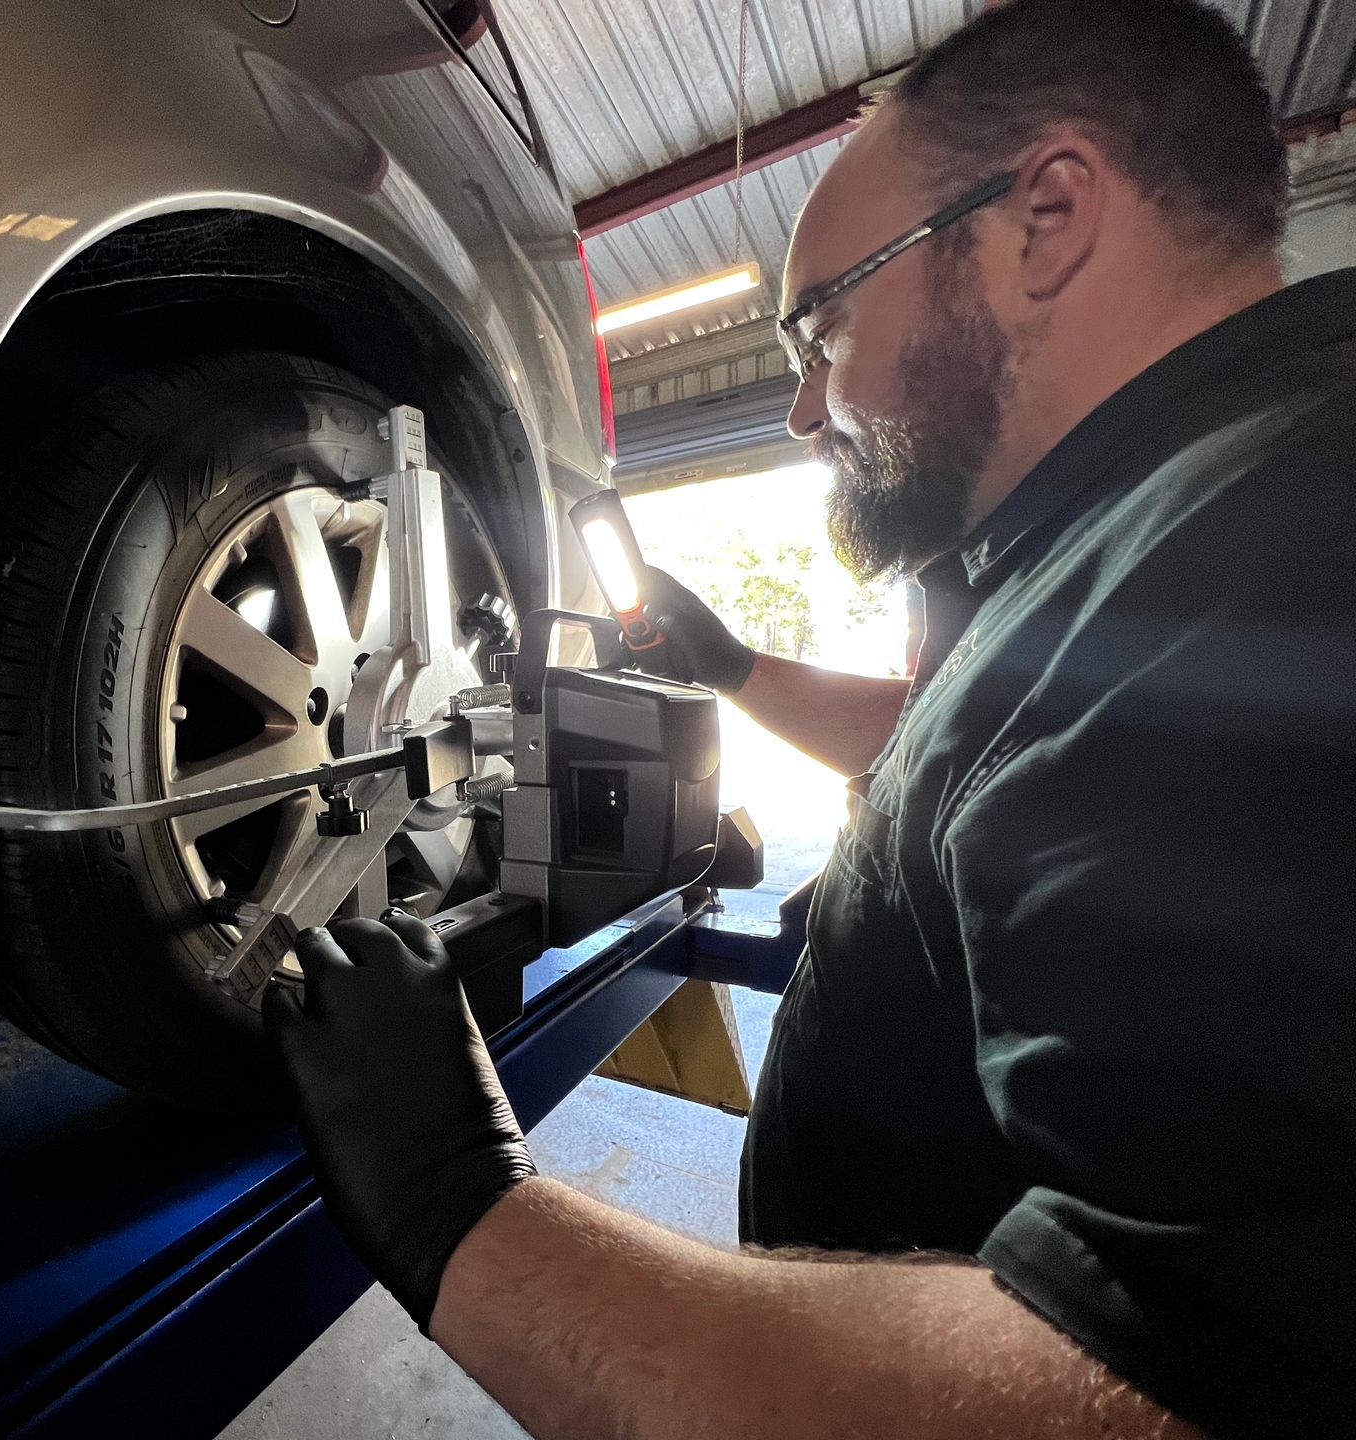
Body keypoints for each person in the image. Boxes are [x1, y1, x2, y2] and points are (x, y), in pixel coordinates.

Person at [264, 1, 1356, 1435]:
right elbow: (989, 763)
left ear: (1048, 216)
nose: (801, 408)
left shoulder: (1275, 545)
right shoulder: (1167, 524)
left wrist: (459, 1207)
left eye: (824, 325)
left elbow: (1172, 1389)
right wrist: (734, 669)